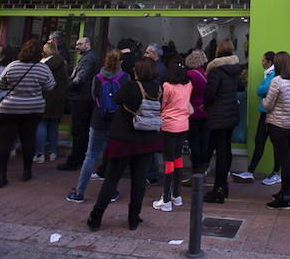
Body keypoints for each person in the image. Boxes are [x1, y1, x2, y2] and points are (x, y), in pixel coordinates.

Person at [87, 58, 163, 232]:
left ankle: (96, 216)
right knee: (139, 180)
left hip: (124, 139)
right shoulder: (159, 89)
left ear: (138, 72)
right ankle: (133, 218)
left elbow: (117, 99)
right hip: (147, 140)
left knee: (112, 179)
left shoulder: (131, 86)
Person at [67, 49, 130, 203]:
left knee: (91, 156)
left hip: (99, 121)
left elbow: (94, 97)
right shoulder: (125, 78)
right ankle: (111, 191)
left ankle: (80, 192)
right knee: (113, 157)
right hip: (117, 122)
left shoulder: (98, 78)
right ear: (120, 62)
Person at [0, 39, 55, 187]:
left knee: (4, 141)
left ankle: (1, 175)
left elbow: (1, 84)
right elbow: (50, 86)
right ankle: (27, 170)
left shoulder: (12, 66)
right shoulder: (42, 68)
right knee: (28, 140)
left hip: (10, 108)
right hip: (33, 108)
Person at [203, 39, 244, 203]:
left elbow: (210, 93)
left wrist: (206, 104)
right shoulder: (235, 69)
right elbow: (240, 87)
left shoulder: (216, 70)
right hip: (231, 114)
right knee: (226, 149)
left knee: (220, 152)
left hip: (219, 115)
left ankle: (218, 190)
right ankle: (223, 187)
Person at [233, 51, 281, 185]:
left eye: (263, 60)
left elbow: (262, 90)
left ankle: (276, 173)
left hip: (271, 114)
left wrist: (262, 88)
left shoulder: (273, 75)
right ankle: (250, 171)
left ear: (270, 62)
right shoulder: (270, 74)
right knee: (260, 141)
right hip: (266, 113)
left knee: (274, 143)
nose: (261, 62)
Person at [152, 56, 192, 211]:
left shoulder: (167, 86)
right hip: (183, 124)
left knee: (168, 161)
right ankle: (176, 194)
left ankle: (166, 198)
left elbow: (162, 105)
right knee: (178, 158)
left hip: (169, 125)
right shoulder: (189, 85)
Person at [261, 51, 290, 210]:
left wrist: (263, 100)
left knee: (284, 161)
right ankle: (287, 191)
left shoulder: (277, 81)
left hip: (278, 125)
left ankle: (285, 198)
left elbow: (268, 105)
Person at [59, 37, 99, 170]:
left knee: (79, 129)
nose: (77, 47)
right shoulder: (91, 56)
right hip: (85, 97)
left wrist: (68, 86)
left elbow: (81, 78)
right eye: (76, 44)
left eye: (80, 44)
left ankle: (75, 159)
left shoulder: (88, 58)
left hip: (81, 98)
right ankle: (80, 158)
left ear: (88, 44)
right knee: (83, 129)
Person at [35, 41, 67, 163]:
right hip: (57, 98)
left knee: (41, 124)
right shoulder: (62, 63)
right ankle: (53, 152)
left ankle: (40, 153)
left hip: (44, 97)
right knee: (54, 126)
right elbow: (65, 80)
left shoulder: (41, 65)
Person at [185, 50, 209, 177]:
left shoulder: (190, 75)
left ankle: (196, 167)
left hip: (193, 111)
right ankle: (203, 166)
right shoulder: (204, 74)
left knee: (193, 141)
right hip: (204, 111)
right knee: (203, 140)